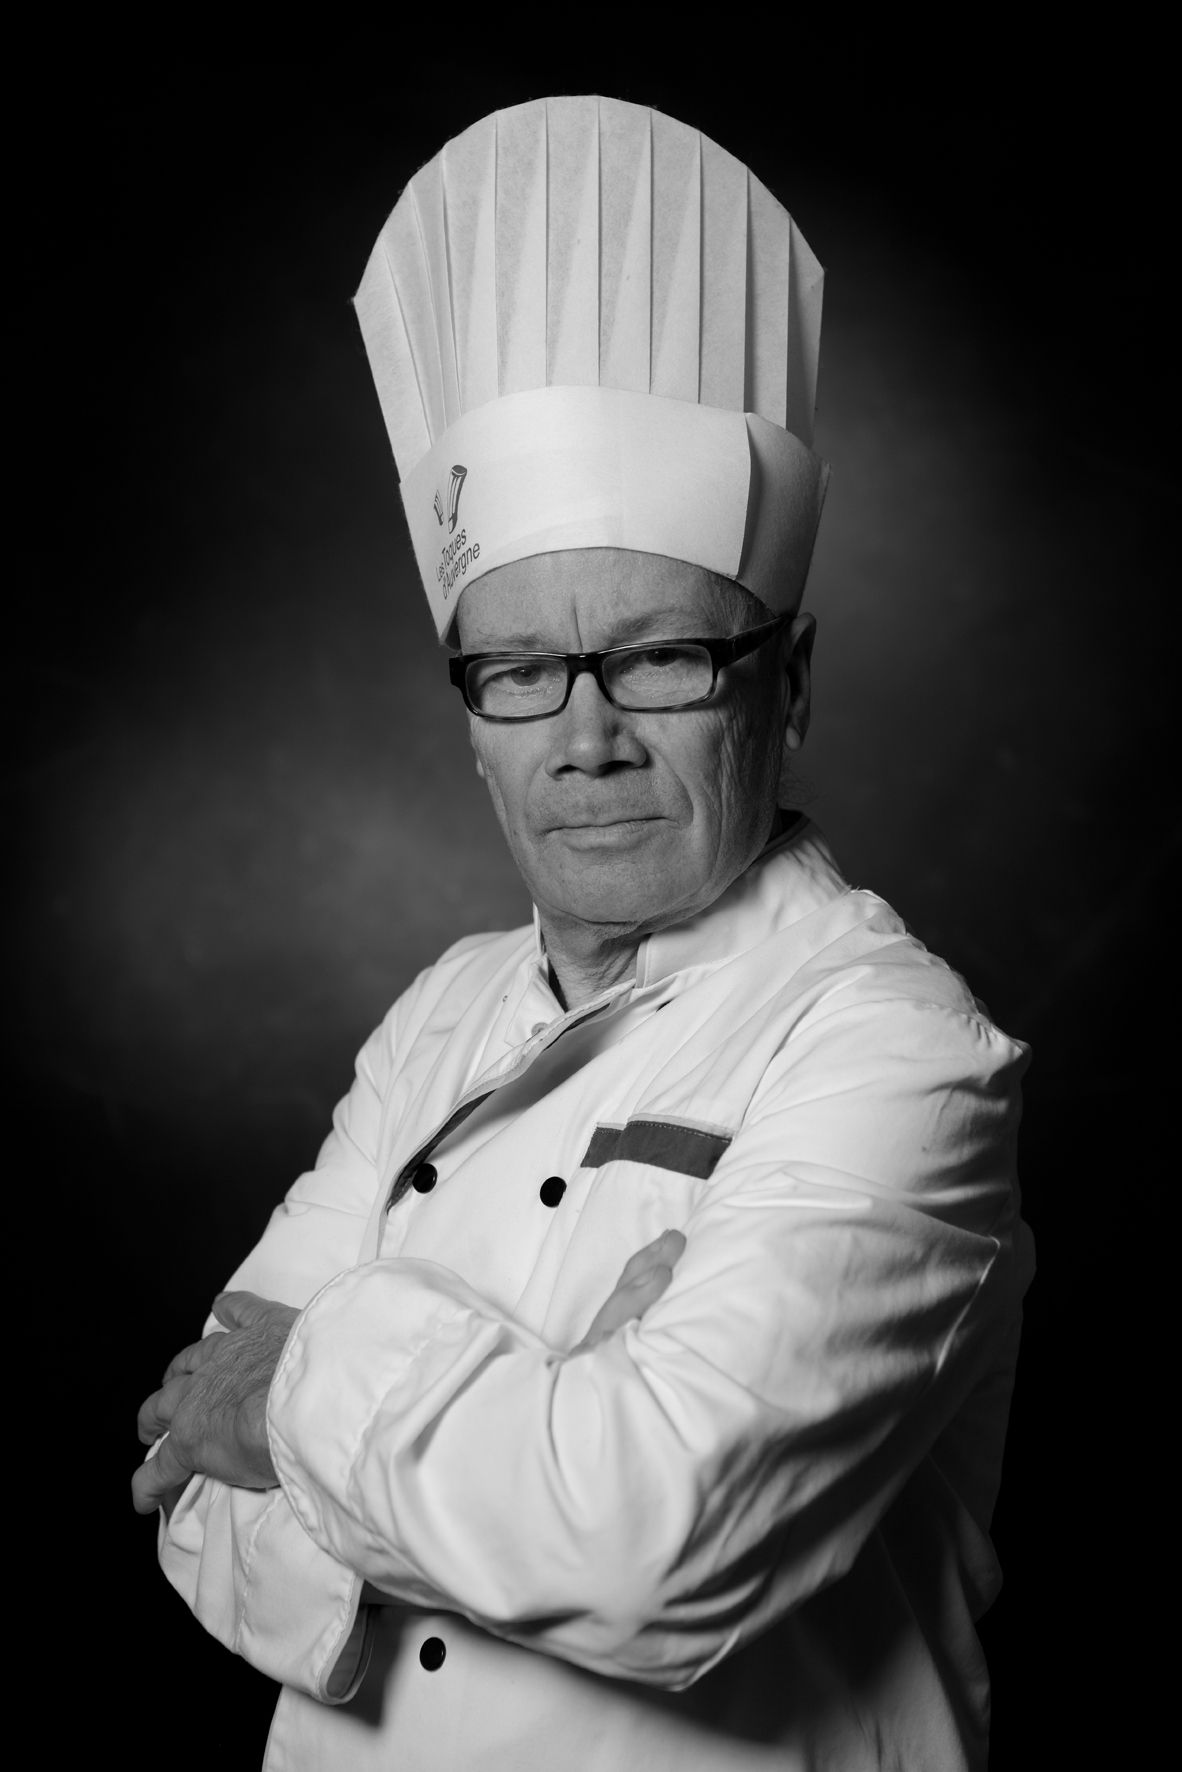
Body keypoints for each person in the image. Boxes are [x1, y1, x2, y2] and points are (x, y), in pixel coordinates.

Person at [133, 96, 1034, 1770]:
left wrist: (303, 1401)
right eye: (521, 671)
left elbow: (656, 1553)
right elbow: (189, 1486)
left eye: (662, 657)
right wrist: (542, 1405)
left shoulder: (899, 1050)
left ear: (785, 682)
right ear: (472, 717)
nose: (586, 736)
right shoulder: (440, 1011)